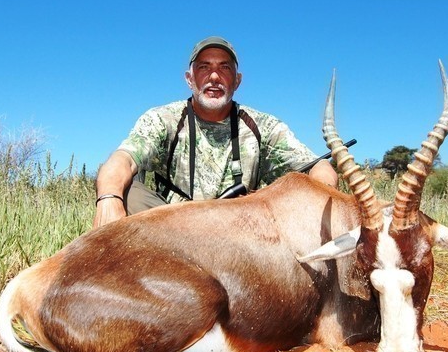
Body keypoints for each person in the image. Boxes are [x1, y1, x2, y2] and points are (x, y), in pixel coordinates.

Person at [93, 36, 337, 228]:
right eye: (203, 67)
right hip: (170, 230)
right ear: (189, 79)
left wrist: (321, 202)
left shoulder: (263, 126)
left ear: (237, 80)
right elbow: (120, 161)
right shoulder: (162, 119)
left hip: (238, 232)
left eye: (224, 68)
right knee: (126, 191)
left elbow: (319, 167)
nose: (214, 76)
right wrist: (108, 200)